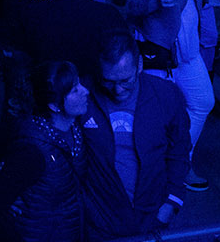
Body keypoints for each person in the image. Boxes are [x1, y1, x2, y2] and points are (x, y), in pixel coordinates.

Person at [123, 0, 215, 190]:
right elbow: (132, 6)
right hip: (160, 51)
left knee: (203, 102)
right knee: (156, 114)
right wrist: (156, 2)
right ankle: (155, 171)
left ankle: (179, 161)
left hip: (189, 50)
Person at [76, 30, 192, 240]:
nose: (118, 90)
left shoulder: (166, 95)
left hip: (151, 219)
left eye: (125, 80)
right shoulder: (82, 93)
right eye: (108, 81)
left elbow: (180, 150)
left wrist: (171, 203)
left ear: (139, 65)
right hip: (99, 221)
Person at [0, 60, 90, 242]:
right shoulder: (32, 152)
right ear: (54, 106)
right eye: (74, 90)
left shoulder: (74, 129)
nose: (85, 91)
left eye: (79, 83)